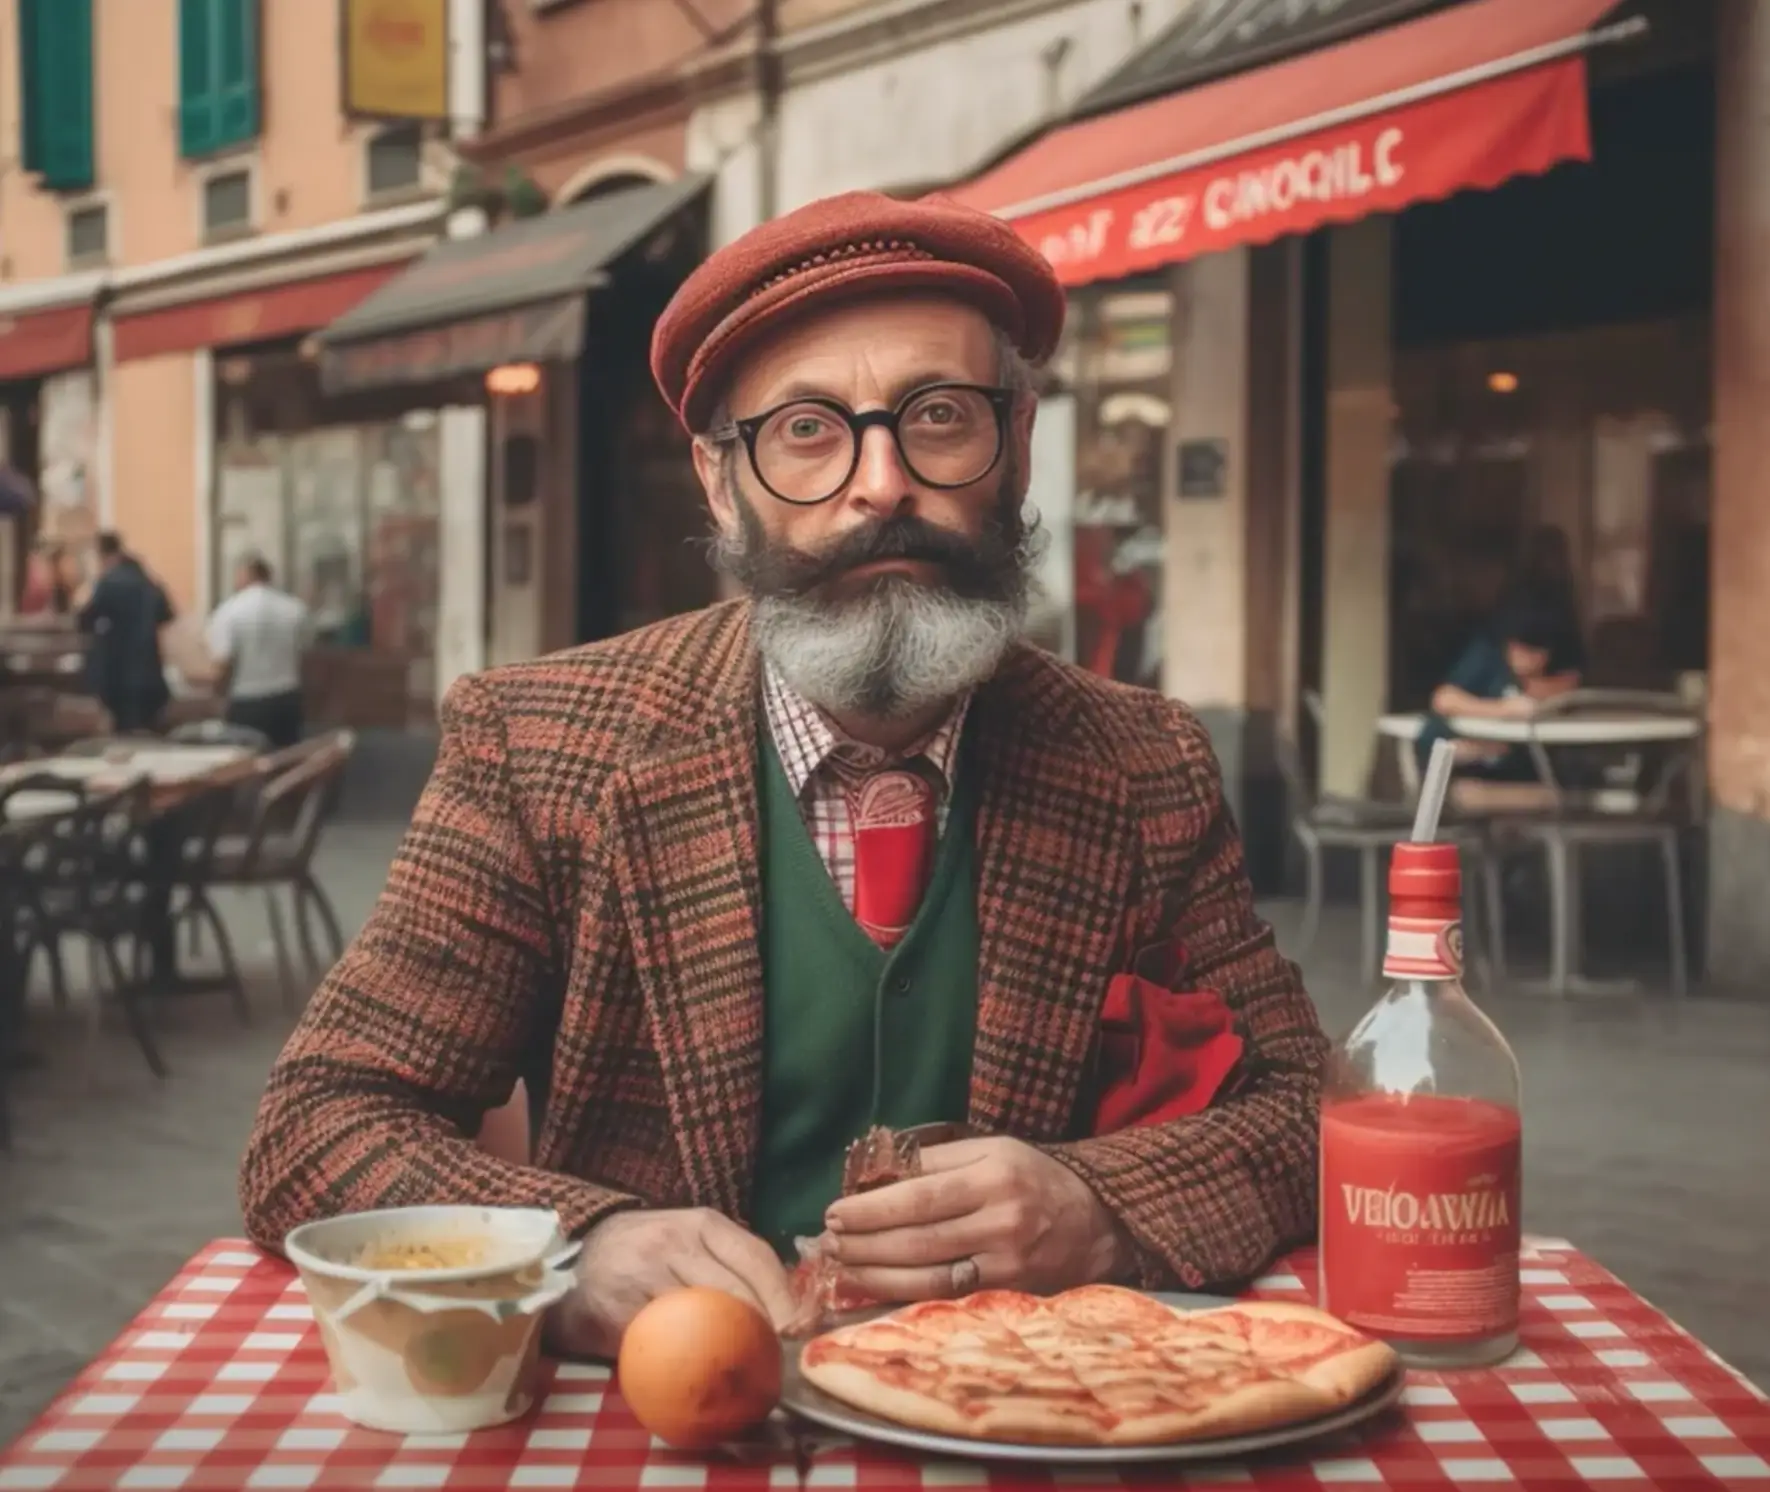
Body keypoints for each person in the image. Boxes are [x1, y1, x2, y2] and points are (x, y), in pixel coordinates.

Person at [239, 191, 1326, 1359]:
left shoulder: (1141, 759)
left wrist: (1101, 1207)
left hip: (1030, 1416)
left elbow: (1316, 1110)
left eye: (942, 416)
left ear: (1014, 449)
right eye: (807, 429)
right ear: (722, 483)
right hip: (677, 1431)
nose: (881, 483)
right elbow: (315, 1124)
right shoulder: (537, 743)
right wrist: (573, 1247)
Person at [1416, 598, 1567, 781]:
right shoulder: (1486, 656)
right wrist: (1504, 709)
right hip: (1462, 753)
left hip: (1517, 760)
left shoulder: (1557, 671)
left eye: (1540, 655)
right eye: (1524, 651)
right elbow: (1444, 700)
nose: (1533, 661)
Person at [204, 554, 311, 748]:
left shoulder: (229, 611)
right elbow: (305, 654)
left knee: (246, 763)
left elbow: (223, 661)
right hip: (287, 698)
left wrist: (216, 695)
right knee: (285, 761)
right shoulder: (294, 609)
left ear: (244, 575)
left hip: (247, 702)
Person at [78, 532, 174, 734]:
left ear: (102, 555)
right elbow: (168, 614)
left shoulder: (109, 583)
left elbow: (85, 620)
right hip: (150, 673)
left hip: (118, 676)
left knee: (125, 734)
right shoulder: (147, 581)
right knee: (149, 733)